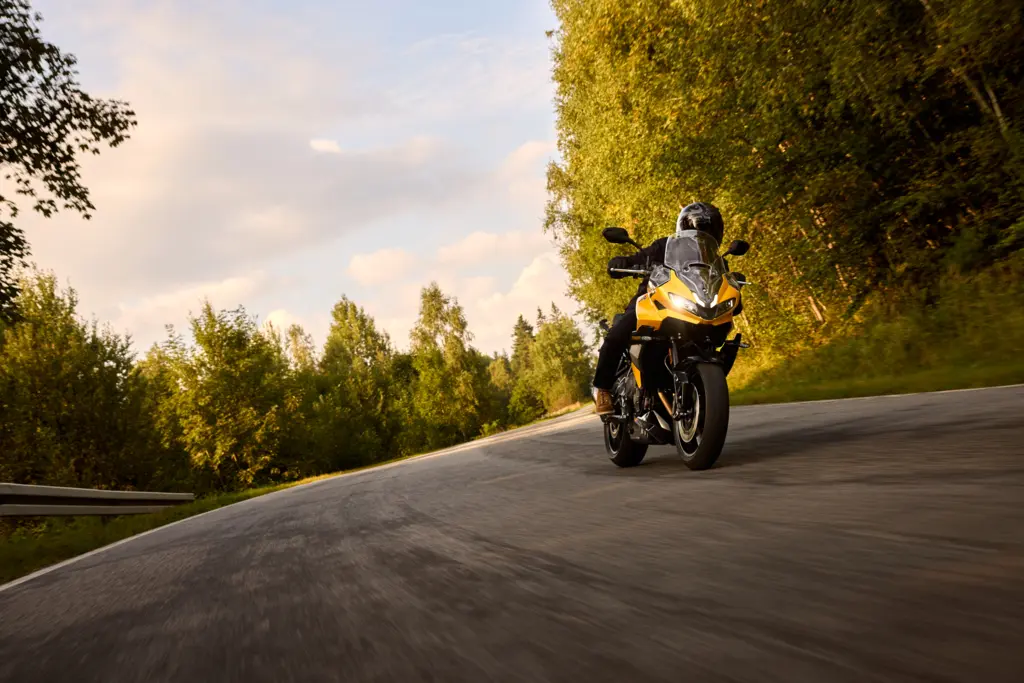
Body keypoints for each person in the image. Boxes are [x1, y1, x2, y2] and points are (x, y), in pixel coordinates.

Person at [593, 202, 726, 415]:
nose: (704, 233)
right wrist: (624, 263)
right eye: (700, 228)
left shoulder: (715, 259)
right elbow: (639, 258)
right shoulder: (665, 246)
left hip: (692, 308)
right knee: (619, 332)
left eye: (709, 229)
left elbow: (722, 279)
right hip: (654, 301)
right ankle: (603, 388)